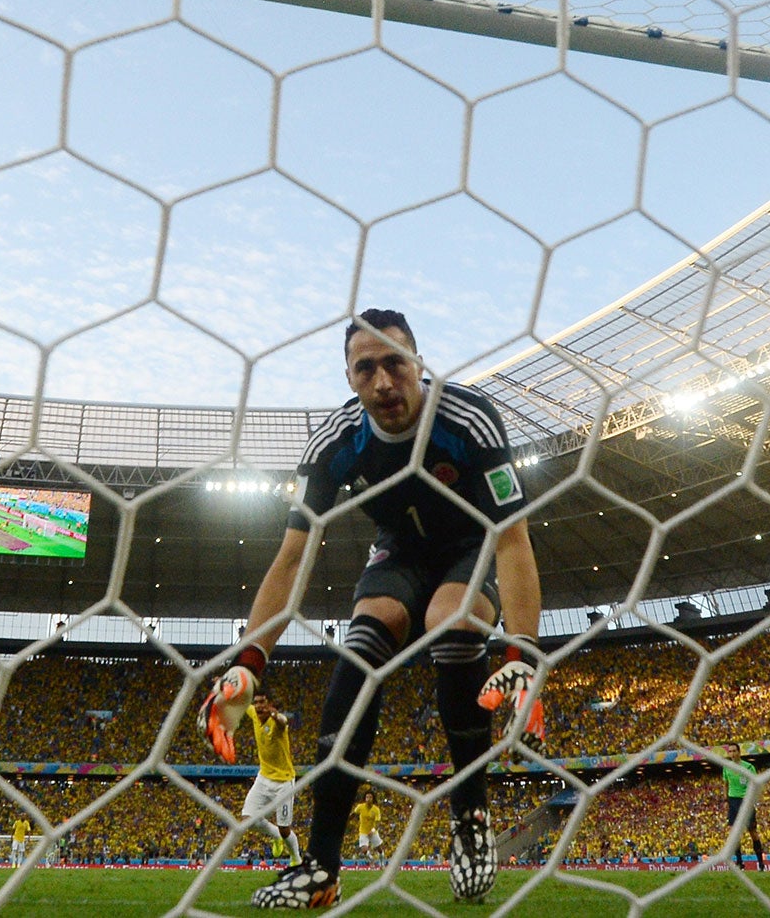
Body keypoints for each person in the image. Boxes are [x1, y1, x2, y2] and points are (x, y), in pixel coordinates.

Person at [198, 309, 545, 908]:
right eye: (366, 368)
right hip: (397, 553)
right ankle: (322, 866)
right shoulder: (335, 443)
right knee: (361, 642)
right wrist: (248, 662)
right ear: (351, 379)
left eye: (395, 362)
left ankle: (470, 818)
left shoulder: (470, 420)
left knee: (451, 622)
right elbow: (291, 558)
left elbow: (512, 538)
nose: (384, 381)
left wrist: (522, 649)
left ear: (417, 364)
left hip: (469, 547)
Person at [242, 695, 302, 865]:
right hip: (263, 777)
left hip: (283, 782)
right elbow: (240, 699)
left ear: (269, 706)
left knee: (285, 829)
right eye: (256, 702)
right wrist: (223, 685)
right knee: (248, 819)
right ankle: (275, 836)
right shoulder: (254, 713)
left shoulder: (277, 723)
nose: (259, 706)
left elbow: (283, 722)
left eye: (263, 703)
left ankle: (296, 859)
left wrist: (275, 715)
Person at [721, 752, 767, 870]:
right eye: (729, 751)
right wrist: (726, 798)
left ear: (738, 752)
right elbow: (726, 784)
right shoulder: (727, 767)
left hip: (746, 801)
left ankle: (761, 863)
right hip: (733, 802)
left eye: (733, 751)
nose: (731, 753)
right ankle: (740, 863)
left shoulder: (748, 767)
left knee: (752, 832)